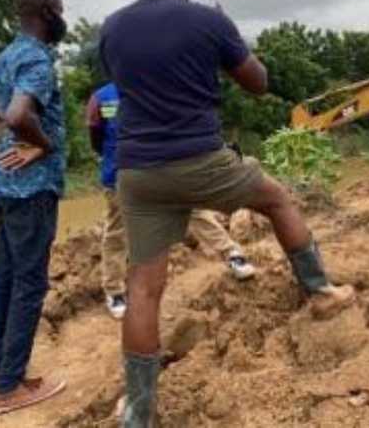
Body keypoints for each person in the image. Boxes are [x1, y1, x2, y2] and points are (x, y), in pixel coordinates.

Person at [99, 0, 354, 426]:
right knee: (277, 200)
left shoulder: (112, 27)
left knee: (144, 287)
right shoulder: (207, 21)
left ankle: (139, 411)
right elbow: (258, 82)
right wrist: (228, 31)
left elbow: (129, 85)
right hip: (201, 160)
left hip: (138, 172)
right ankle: (321, 292)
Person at [86, 82, 256, 320]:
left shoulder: (158, 87)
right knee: (117, 232)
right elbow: (95, 136)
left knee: (193, 211)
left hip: (163, 169)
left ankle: (232, 255)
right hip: (120, 175)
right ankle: (114, 292)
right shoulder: (102, 98)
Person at [0, 0, 69, 414]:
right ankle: (8, 389)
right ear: (46, 13)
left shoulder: (5, 56)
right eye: (58, 9)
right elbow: (19, 114)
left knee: (5, 277)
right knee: (29, 283)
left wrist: (8, 137)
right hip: (31, 186)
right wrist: (44, 144)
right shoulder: (36, 58)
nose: (61, 17)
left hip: (2, 182)